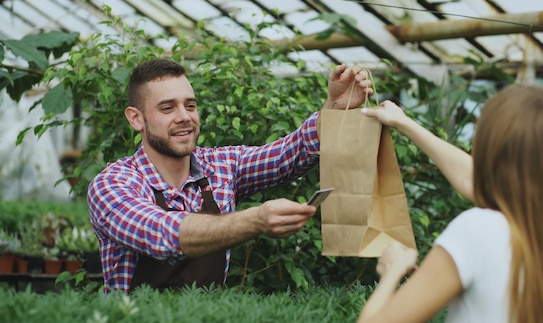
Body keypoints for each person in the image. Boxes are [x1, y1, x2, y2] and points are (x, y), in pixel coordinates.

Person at [353, 84, 543, 323]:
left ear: (490, 147)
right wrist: (403, 123)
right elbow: (470, 177)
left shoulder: (478, 229)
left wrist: (393, 270)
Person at [87, 59, 373, 294]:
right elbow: (161, 234)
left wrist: (334, 107)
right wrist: (255, 220)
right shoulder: (113, 184)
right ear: (136, 118)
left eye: (190, 105)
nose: (184, 116)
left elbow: (290, 153)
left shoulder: (222, 166)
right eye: (167, 108)